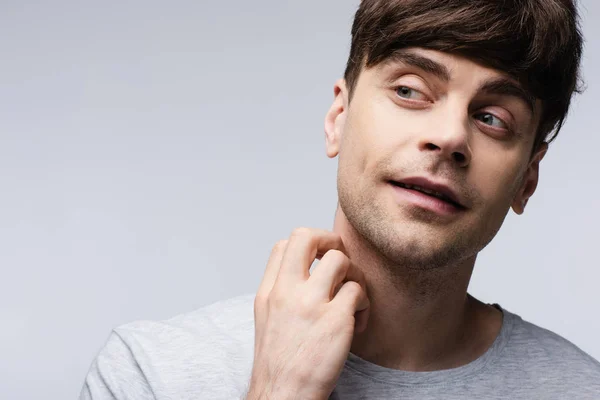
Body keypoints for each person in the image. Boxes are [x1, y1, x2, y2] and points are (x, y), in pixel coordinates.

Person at [80, 0, 600, 399]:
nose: (449, 137)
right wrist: (279, 391)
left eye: (493, 118)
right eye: (410, 90)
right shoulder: (150, 374)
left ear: (527, 179)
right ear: (338, 119)